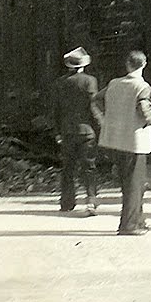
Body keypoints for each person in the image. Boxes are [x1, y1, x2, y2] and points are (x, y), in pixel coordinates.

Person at [93, 50, 151, 236]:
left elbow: (96, 100)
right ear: (144, 64)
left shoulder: (114, 83)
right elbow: (143, 110)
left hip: (114, 140)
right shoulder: (142, 86)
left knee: (128, 182)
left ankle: (139, 220)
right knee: (135, 184)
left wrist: (105, 119)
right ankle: (129, 225)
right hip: (135, 141)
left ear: (127, 65)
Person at [54, 46, 99, 215]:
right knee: (89, 167)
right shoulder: (90, 81)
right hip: (86, 130)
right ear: (83, 65)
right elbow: (92, 106)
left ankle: (67, 202)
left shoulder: (60, 83)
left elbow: (56, 110)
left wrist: (58, 131)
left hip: (67, 131)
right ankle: (91, 200)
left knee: (67, 168)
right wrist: (99, 126)